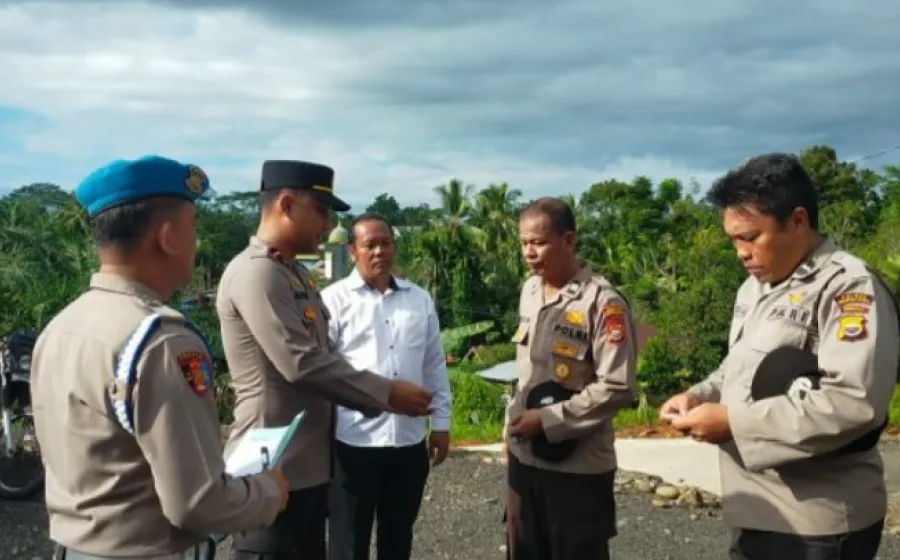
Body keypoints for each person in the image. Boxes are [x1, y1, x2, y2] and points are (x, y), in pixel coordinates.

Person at [30, 155, 290, 559]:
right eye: (193, 226)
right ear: (167, 237)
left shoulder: (61, 326)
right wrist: (269, 492)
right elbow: (196, 503)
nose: (195, 241)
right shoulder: (162, 340)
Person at [660, 152, 899, 560]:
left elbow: (853, 402)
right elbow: (738, 366)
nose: (740, 252)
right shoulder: (754, 288)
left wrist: (733, 423)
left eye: (751, 237)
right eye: (733, 239)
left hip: (816, 522)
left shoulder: (847, 288)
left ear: (798, 221)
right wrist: (699, 395)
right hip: (757, 508)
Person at [216, 160, 434, 560]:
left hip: (307, 468)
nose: (328, 223)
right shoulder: (257, 274)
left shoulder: (294, 274)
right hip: (270, 466)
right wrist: (386, 393)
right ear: (286, 205)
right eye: (320, 210)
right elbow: (299, 362)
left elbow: (325, 356)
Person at [504, 197, 639, 560]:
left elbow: (618, 387)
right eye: (524, 243)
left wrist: (548, 420)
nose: (529, 253)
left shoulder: (603, 303)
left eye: (539, 242)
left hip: (576, 468)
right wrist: (511, 429)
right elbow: (527, 374)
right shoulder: (530, 290)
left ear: (568, 241)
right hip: (525, 457)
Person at [321, 213, 453, 560]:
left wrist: (440, 423)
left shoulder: (419, 299)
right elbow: (323, 370)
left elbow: (433, 365)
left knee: (398, 538)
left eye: (386, 243)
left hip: (408, 442)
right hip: (354, 442)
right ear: (352, 251)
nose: (379, 251)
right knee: (349, 543)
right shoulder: (333, 300)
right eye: (370, 245)